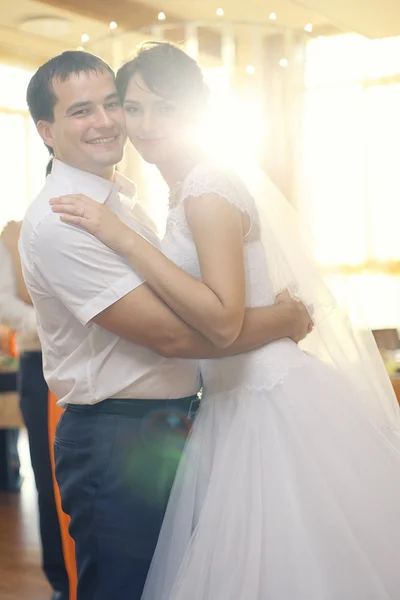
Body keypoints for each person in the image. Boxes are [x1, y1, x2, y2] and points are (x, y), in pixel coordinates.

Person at [51, 42, 400, 599]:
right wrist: (284, 315)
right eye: (134, 108)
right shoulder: (177, 190)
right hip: (226, 398)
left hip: (267, 398)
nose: (146, 124)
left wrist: (120, 238)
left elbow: (220, 321)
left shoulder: (207, 187)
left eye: (165, 108)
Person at [19, 50, 311, 600]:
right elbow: (175, 335)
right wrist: (283, 319)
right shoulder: (64, 220)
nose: (106, 121)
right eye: (81, 111)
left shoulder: (122, 204)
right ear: (46, 131)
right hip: (118, 434)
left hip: (171, 423)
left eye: (112, 104)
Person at [0, 219, 69, 600]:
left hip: (94, 364)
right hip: (40, 362)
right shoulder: (16, 234)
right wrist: (52, 323)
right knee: (49, 477)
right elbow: (4, 301)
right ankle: (61, 580)